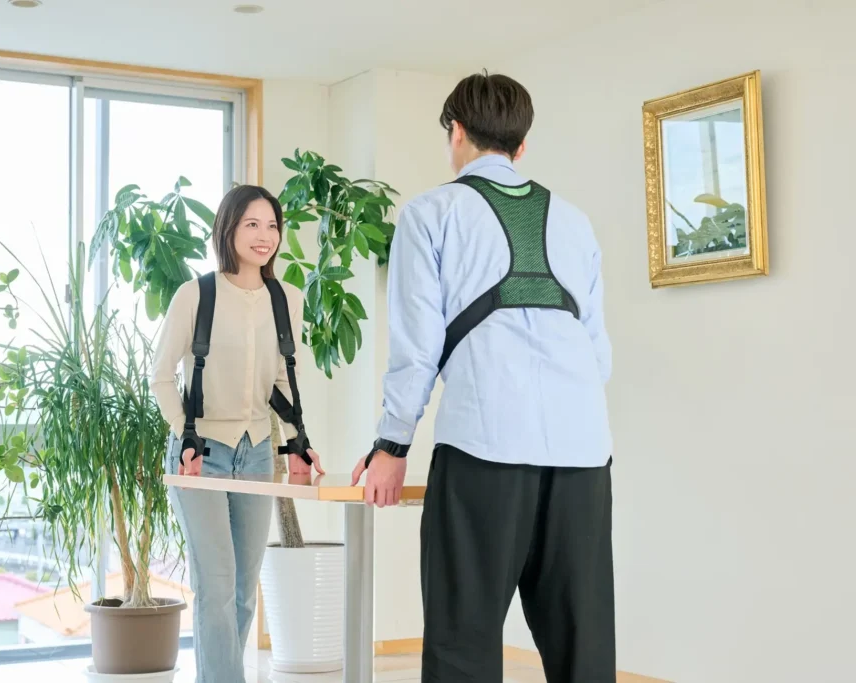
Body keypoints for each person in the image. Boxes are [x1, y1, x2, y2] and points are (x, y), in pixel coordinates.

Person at [352, 73, 615, 682]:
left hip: (484, 446)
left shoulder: (429, 213)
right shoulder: (575, 221)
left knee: (463, 642)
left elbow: (416, 348)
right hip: (583, 451)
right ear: (521, 147)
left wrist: (391, 446)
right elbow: (598, 355)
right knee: (583, 646)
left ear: (457, 133)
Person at [152, 185, 324, 683]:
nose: (264, 235)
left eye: (272, 226)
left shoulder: (287, 298)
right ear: (228, 229)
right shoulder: (196, 294)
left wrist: (297, 441)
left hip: (257, 452)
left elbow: (283, 381)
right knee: (218, 584)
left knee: (246, 589)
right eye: (251, 224)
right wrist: (183, 435)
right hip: (199, 453)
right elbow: (160, 375)